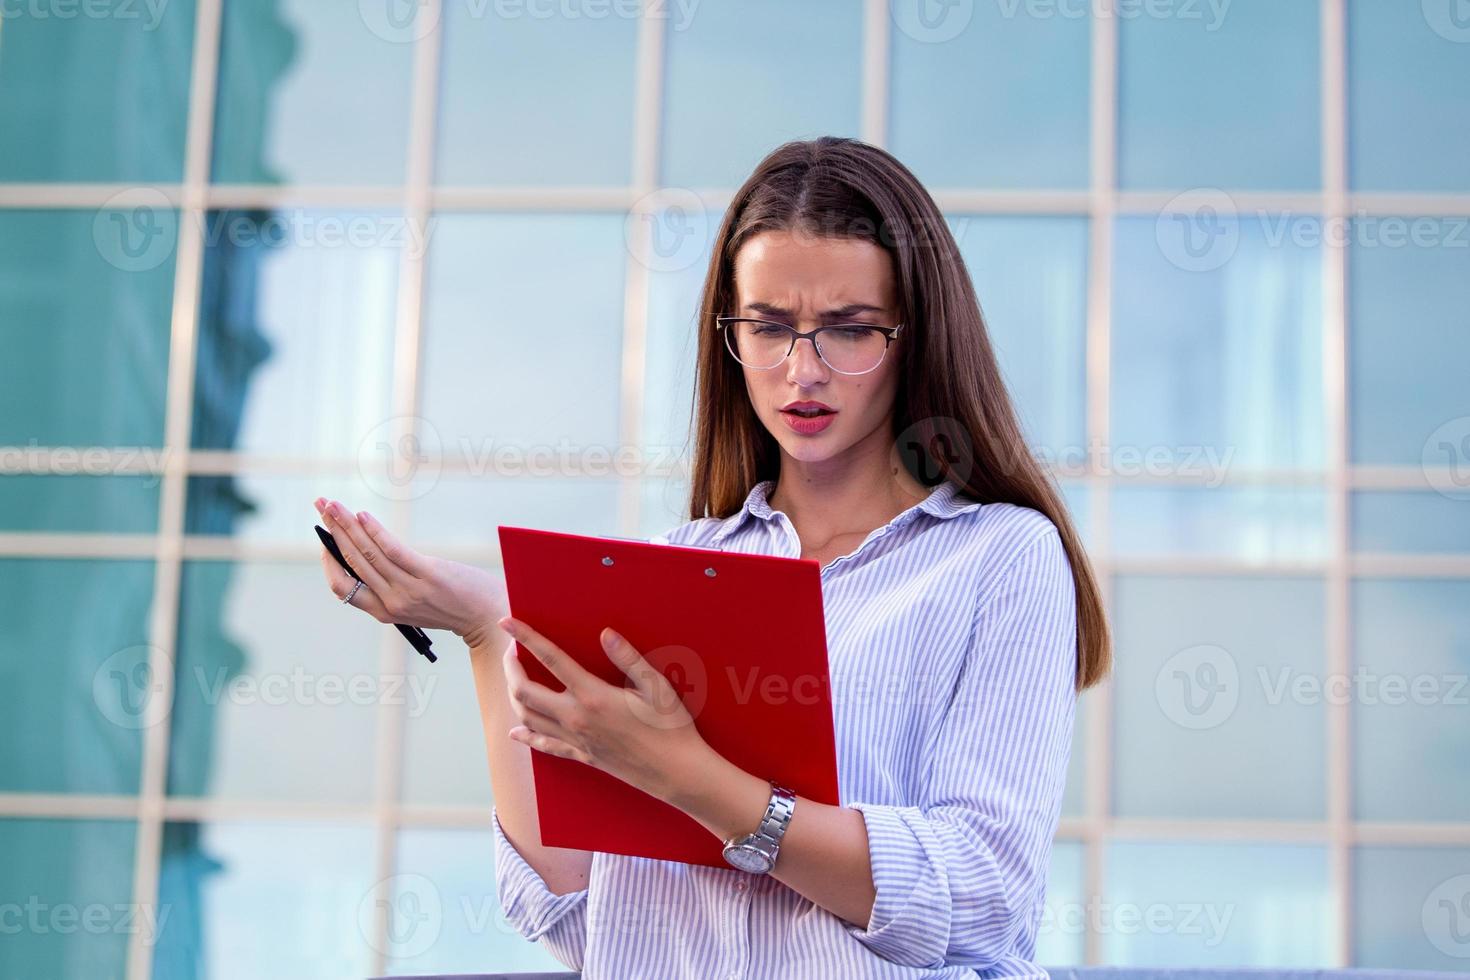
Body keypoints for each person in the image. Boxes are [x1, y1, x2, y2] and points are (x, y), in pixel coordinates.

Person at [314, 135, 1111, 979]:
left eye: (850, 330)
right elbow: (578, 918)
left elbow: (982, 898)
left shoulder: (999, 558)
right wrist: (484, 626)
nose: (803, 370)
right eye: (767, 327)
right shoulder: (668, 571)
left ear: (915, 337)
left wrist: (697, 781)